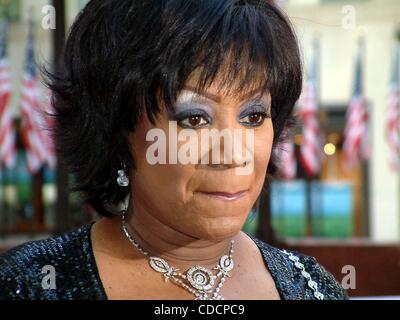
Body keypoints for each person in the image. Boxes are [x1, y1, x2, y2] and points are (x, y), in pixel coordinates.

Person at [0, 0, 347, 300]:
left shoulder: (311, 285)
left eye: (253, 116)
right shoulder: (32, 283)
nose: (232, 153)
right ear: (117, 132)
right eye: (195, 118)